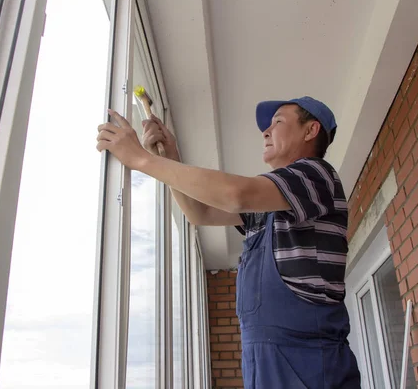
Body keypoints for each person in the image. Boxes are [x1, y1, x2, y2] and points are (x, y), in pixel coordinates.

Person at [96, 96, 361, 388]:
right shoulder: (272, 208)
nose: (266, 131)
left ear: (310, 131)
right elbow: (202, 212)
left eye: (278, 122)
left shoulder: (316, 174)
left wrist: (142, 161)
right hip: (267, 365)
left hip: (312, 366)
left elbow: (236, 195)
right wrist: (169, 156)